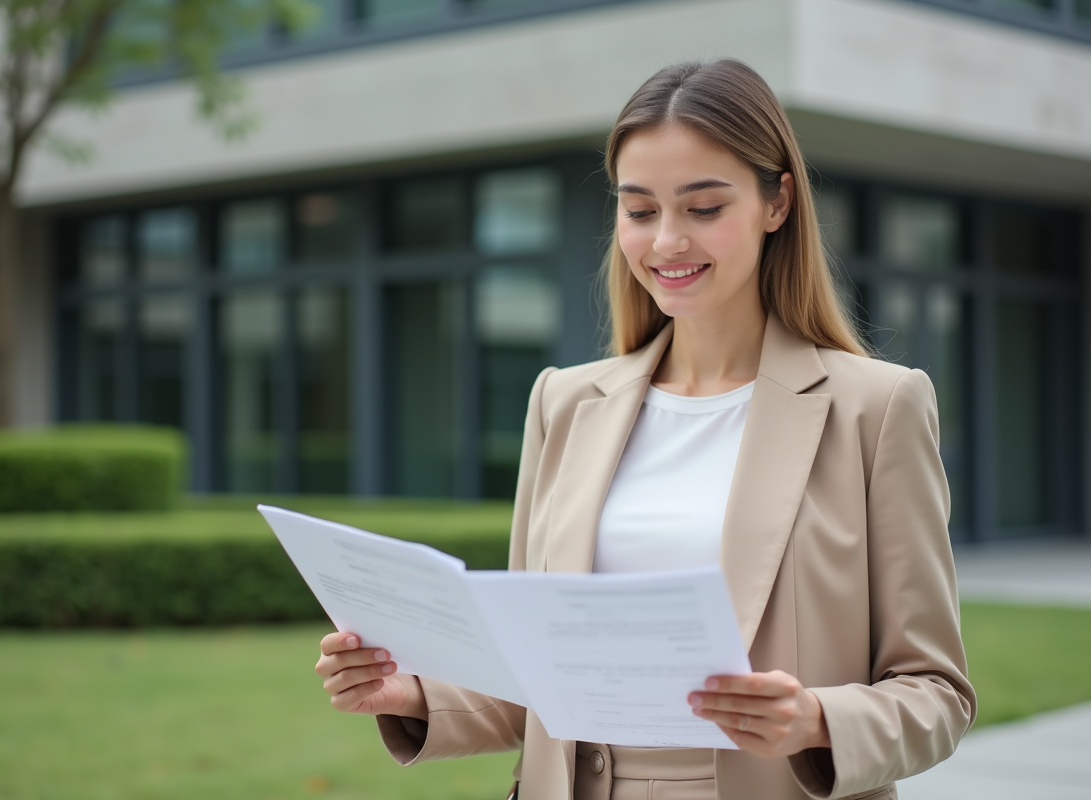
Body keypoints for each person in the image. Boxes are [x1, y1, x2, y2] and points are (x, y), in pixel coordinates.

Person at [314, 59, 975, 800]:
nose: (666, 243)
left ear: (777, 203)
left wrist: (817, 719)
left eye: (703, 208)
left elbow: (936, 695)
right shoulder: (563, 404)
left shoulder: (876, 408)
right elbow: (537, 679)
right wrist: (412, 694)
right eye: (639, 210)